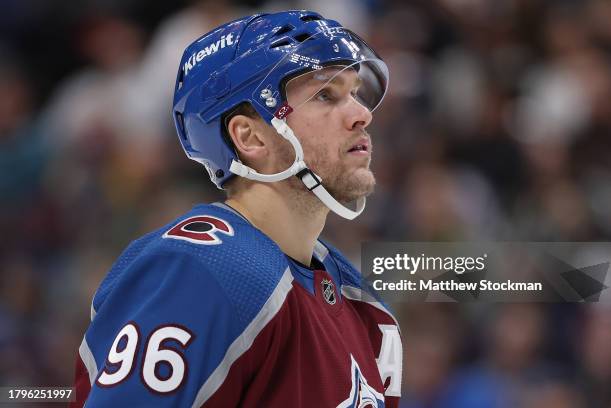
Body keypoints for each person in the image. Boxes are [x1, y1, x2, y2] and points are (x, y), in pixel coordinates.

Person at [71, 10, 402, 407]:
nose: (362, 114)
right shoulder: (201, 270)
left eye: (354, 93)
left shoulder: (365, 309)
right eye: (325, 95)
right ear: (249, 137)